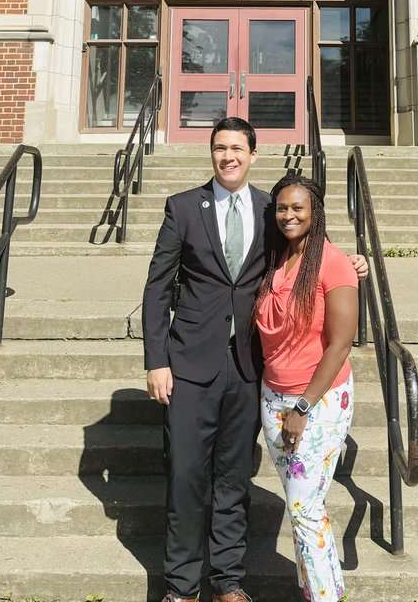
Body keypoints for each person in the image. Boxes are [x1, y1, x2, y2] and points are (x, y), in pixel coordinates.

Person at [142, 117, 365, 602]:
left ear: (253, 154)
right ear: (212, 153)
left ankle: (227, 581)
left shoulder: (271, 208)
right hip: (189, 364)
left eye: (238, 148)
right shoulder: (183, 207)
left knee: (234, 476)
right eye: (220, 148)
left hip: (249, 367)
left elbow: (310, 248)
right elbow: (158, 286)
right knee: (184, 474)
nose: (229, 157)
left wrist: (352, 262)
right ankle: (181, 586)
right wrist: (155, 360)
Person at [254, 173, 358, 602]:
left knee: (304, 511)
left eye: (298, 207)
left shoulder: (332, 262)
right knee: (304, 513)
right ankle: (319, 590)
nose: (289, 215)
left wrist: (302, 407)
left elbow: (341, 343)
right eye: (282, 208)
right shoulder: (277, 258)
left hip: (317, 400)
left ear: (315, 212)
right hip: (273, 397)